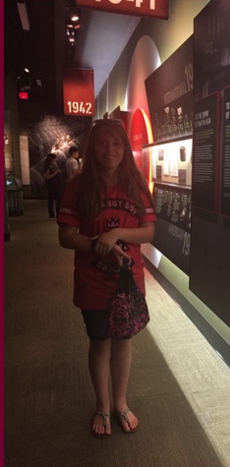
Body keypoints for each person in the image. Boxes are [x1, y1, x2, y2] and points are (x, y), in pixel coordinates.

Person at [57, 119, 156, 439]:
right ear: (91, 148)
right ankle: (102, 406)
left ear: (125, 148)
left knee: (124, 343)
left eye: (116, 143)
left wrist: (115, 234)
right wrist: (97, 246)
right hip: (93, 282)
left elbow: (148, 231)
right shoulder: (78, 186)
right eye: (102, 143)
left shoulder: (136, 184)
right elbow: (66, 236)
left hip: (127, 283)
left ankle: (120, 403)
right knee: (100, 344)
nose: (110, 150)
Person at [43, 153, 62, 218]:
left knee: (51, 199)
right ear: (51, 159)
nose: (55, 161)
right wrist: (55, 172)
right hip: (51, 185)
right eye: (54, 160)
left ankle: (52, 214)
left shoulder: (50, 166)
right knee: (57, 199)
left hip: (52, 184)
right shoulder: (47, 167)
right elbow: (47, 177)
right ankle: (56, 213)